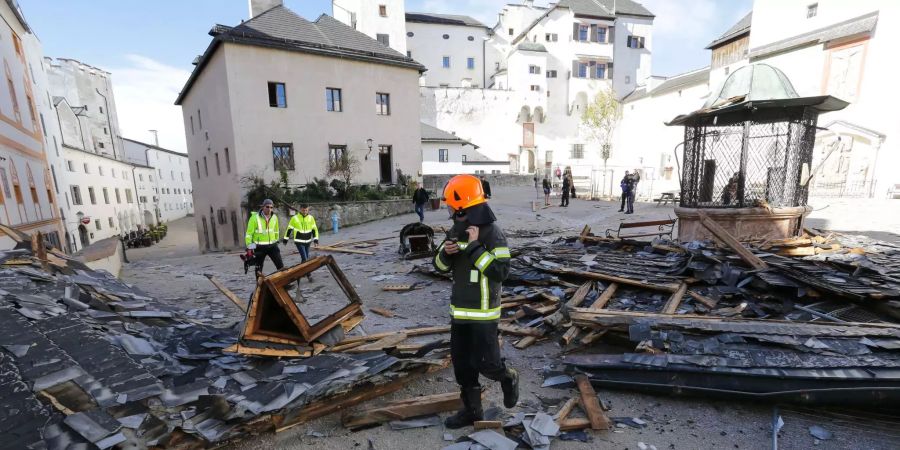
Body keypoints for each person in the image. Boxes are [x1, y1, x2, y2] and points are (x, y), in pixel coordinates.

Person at [434, 174, 518, 429]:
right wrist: (445, 255)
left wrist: (474, 248)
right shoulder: (455, 230)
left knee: (489, 365)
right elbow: (438, 266)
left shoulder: (493, 234)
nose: (449, 210)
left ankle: (508, 377)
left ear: (463, 206)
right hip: (460, 314)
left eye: (451, 206)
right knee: (463, 367)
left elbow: (501, 272)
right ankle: (472, 411)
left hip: (484, 315)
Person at [245, 199, 283, 275]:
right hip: (259, 247)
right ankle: (259, 286)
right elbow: (249, 234)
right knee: (258, 268)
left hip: (272, 246)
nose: (269, 209)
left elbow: (276, 230)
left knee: (280, 265)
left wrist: (276, 240)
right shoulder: (254, 218)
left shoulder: (274, 217)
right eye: (267, 207)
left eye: (271, 207)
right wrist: (250, 248)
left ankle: (285, 284)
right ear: (263, 207)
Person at [283, 204, 319, 280]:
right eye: (303, 210)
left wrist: (316, 240)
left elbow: (314, 229)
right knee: (305, 258)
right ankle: (309, 275)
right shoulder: (295, 218)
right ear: (300, 209)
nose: (305, 212)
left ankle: (302, 272)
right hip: (299, 242)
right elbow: (289, 229)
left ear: (308, 210)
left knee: (305, 258)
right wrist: (285, 239)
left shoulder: (311, 218)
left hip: (308, 241)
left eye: (306, 210)